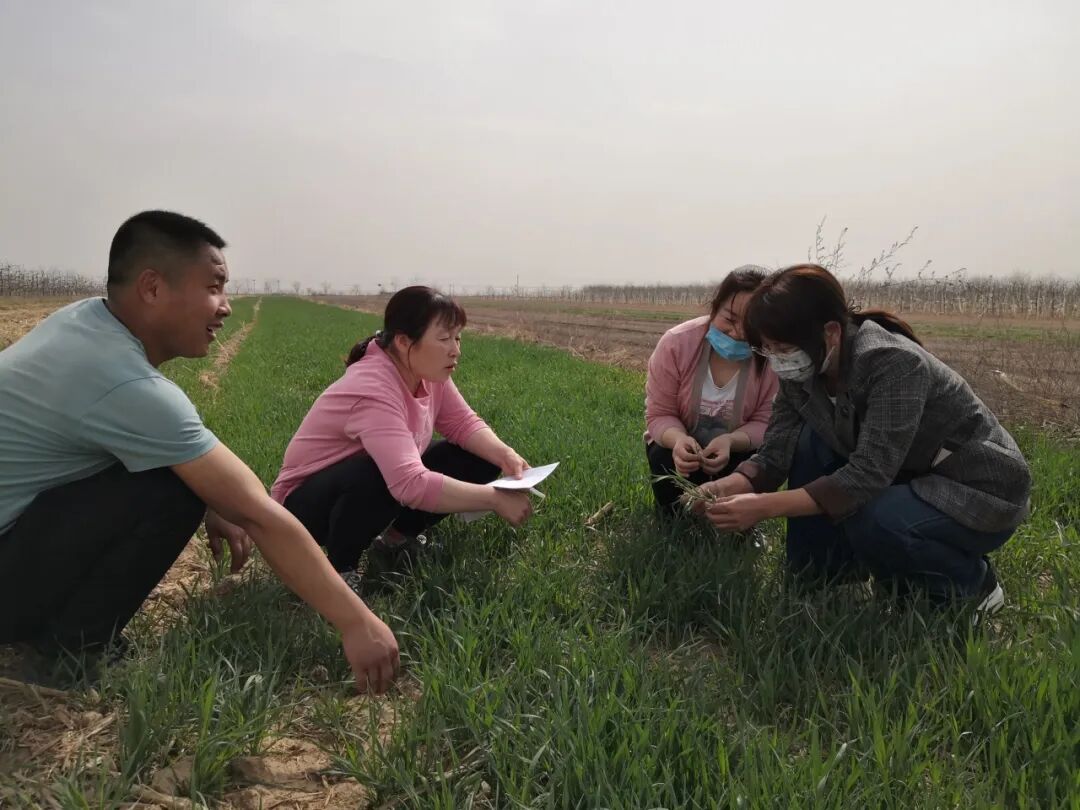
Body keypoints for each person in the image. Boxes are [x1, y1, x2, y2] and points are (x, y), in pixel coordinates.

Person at [0, 210, 399, 692]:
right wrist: (357, 622)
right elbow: (258, 513)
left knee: (183, 478)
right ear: (152, 288)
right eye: (214, 287)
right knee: (175, 490)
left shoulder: (84, 322)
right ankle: (70, 654)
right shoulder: (125, 383)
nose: (226, 307)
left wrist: (213, 500)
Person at [696, 264, 1031, 612]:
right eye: (768, 348)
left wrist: (763, 507)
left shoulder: (892, 362)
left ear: (831, 332)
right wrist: (732, 484)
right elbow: (777, 451)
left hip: (978, 490)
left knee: (875, 517)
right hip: (910, 478)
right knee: (810, 443)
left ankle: (972, 587)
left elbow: (867, 475)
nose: (778, 360)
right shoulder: (803, 370)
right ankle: (827, 583)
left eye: (783, 347)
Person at [271, 286, 533, 593]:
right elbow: (410, 483)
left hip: (364, 485)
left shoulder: (427, 374)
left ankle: (395, 540)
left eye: (458, 338)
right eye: (444, 339)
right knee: (378, 473)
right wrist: (493, 499)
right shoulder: (373, 387)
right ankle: (340, 569)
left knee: (479, 457)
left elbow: (462, 423)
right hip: (303, 511)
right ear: (404, 341)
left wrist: (505, 455)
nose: (455, 350)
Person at [644, 266, 779, 518]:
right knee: (663, 455)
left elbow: (766, 423)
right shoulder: (676, 344)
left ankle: (734, 518)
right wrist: (678, 440)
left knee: (754, 463)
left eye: (750, 326)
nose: (738, 333)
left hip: (737, 452)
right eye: (729, 319)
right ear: (715, 307)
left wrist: (731, 441)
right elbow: (659, 414)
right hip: (681, 450)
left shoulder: (772, 359)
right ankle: (674, 519)